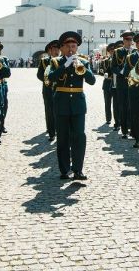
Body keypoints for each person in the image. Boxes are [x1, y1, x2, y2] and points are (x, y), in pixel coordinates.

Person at [47, 31, 96, 180]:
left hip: (78, 104)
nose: (71, 49)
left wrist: (83, 67)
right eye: (68, 46)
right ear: (62, 48)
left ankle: (78, 170)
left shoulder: (84, 62)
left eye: (73, 46)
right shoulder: (55, 62)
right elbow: (50, 78)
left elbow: (92, 81)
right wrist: (65, 65)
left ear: (77, 48)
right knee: (62, 138)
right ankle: (64, 169)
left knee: (79, 137)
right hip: (61, 103)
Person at [111, 31, 134, 137]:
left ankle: (132, 129)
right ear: (123, 40)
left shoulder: (135, 52)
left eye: (131, 40)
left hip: (133, 83)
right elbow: (113, 67)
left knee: (133, 107)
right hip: (121, 83)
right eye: (127, 40)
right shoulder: (117, 52)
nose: (129, 42)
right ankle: (124, 130)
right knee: (123, 107)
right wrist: (121, 72)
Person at [37, 40, 61, 141]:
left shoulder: (62, 60)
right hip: (48, 89)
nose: (56, 51)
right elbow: (39, 74)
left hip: (60, 89)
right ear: (50, 51)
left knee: (59, 110)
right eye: (54, 49)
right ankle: (51, 132)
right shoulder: (44, 61)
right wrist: (47, 79)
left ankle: (59, 129)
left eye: (57, 49)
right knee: (49, 111)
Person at [100, 43, 117, 126]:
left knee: (116, 103)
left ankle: (117, 120)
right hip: (107, 82)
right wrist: (104, 72)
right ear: (109, 52)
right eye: (111, 51)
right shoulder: (105, 61)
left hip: (116, 82)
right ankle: (108, 119)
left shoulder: (119, 61)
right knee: (107, 102)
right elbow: (102, 71)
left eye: (114, 50)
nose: (112, 52)